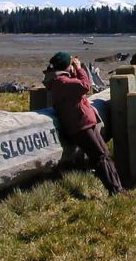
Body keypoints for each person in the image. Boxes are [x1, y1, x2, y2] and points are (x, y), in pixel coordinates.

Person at [43, 52, 124, 195]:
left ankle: (117, 187)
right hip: (80, 126)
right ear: (65, 66)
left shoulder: (62, 80)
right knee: (99, 156)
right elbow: (85, 86)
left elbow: (76, 90)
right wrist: (79, 69)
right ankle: (115, 190)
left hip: (84, 122)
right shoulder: (61, 82)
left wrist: (73, 72)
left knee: (104, 154)